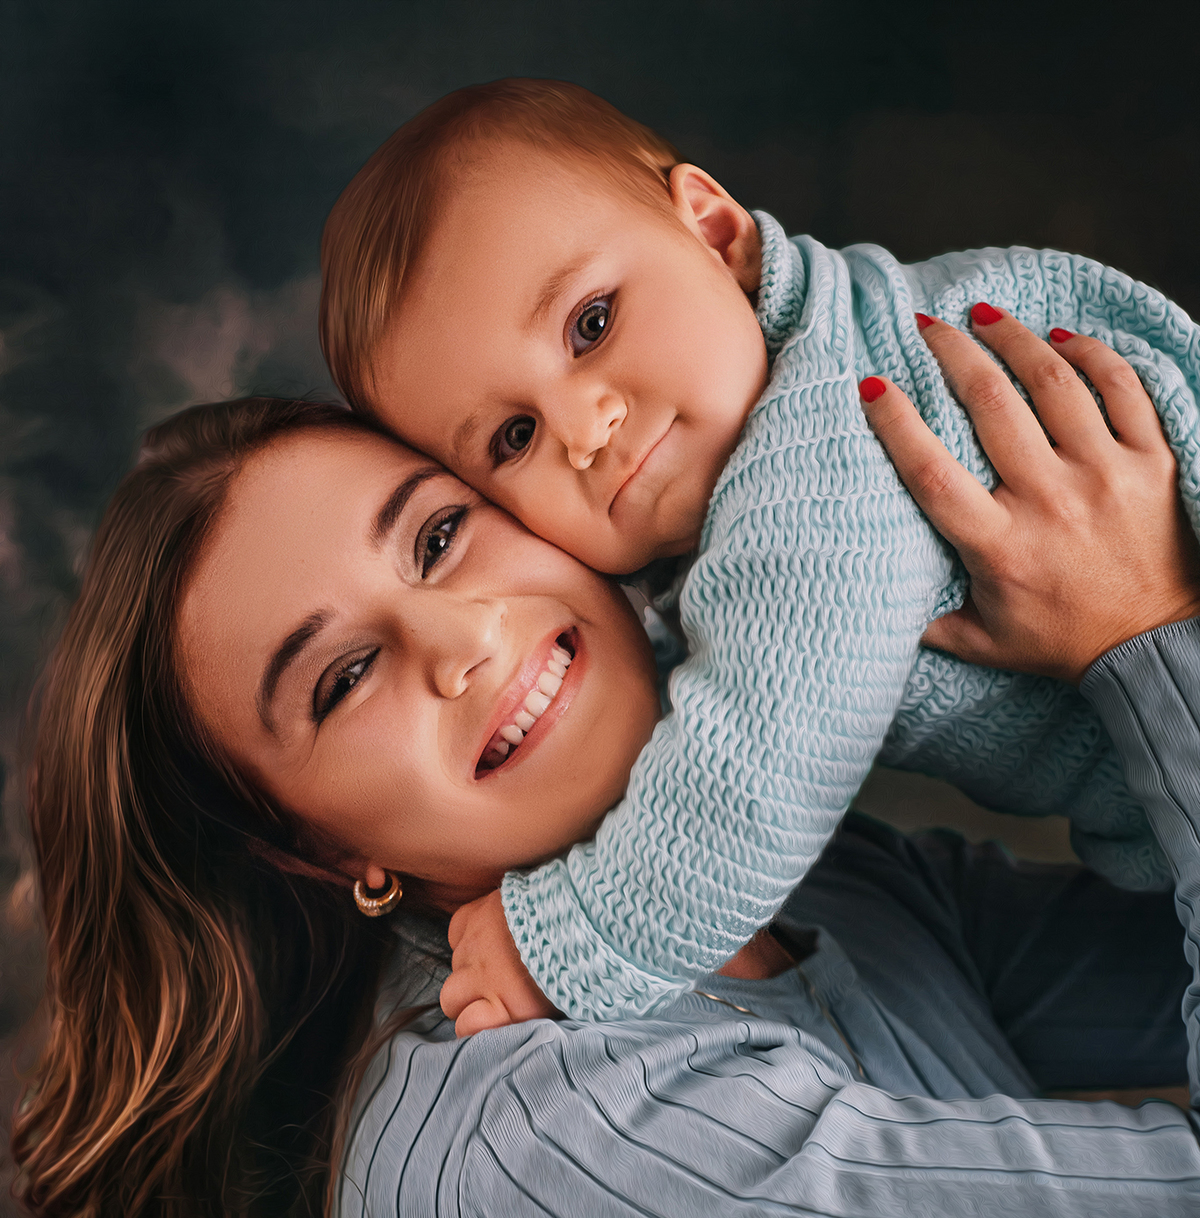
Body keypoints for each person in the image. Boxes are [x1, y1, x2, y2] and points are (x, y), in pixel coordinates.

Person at [13, 298, 1200, 1218]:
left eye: (440, 536)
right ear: (324, 855)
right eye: (339, 679)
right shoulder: (546, 1154)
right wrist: (1146, 642)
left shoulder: (812, 893)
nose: (459, 642)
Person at [318, 77, 1200, 1037]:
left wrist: (579, 937)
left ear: (713, 230)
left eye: (591, 324)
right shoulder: (749, 438)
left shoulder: (827, 445)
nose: (585, 428)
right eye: (513, 438)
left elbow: (758, 761)